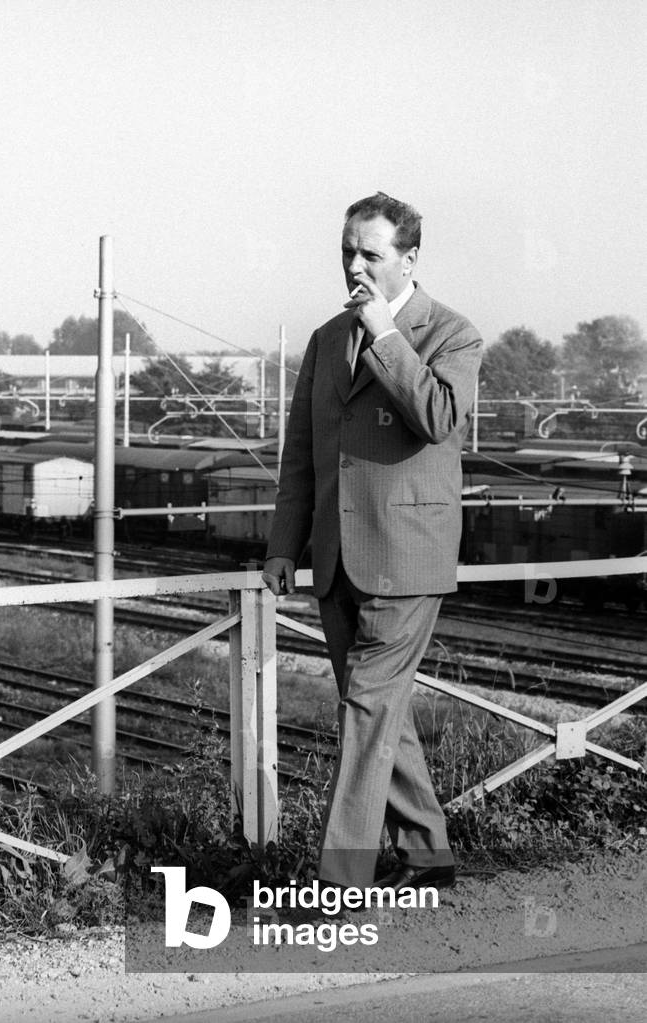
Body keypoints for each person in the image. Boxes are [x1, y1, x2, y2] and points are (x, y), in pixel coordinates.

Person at [262, 192, 482, 891]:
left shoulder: (451, 333)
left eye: (370, 253)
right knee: (380, 708)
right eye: (347, 250)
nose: (354, 264)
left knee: (363, 708)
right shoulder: (327, 339)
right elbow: (302, 453)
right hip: (334, 559)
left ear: (408, 258)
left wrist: (387, 334)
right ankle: (427, 854)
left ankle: (338, 885)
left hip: (406, 558)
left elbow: (438, 417)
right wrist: (281, 546)